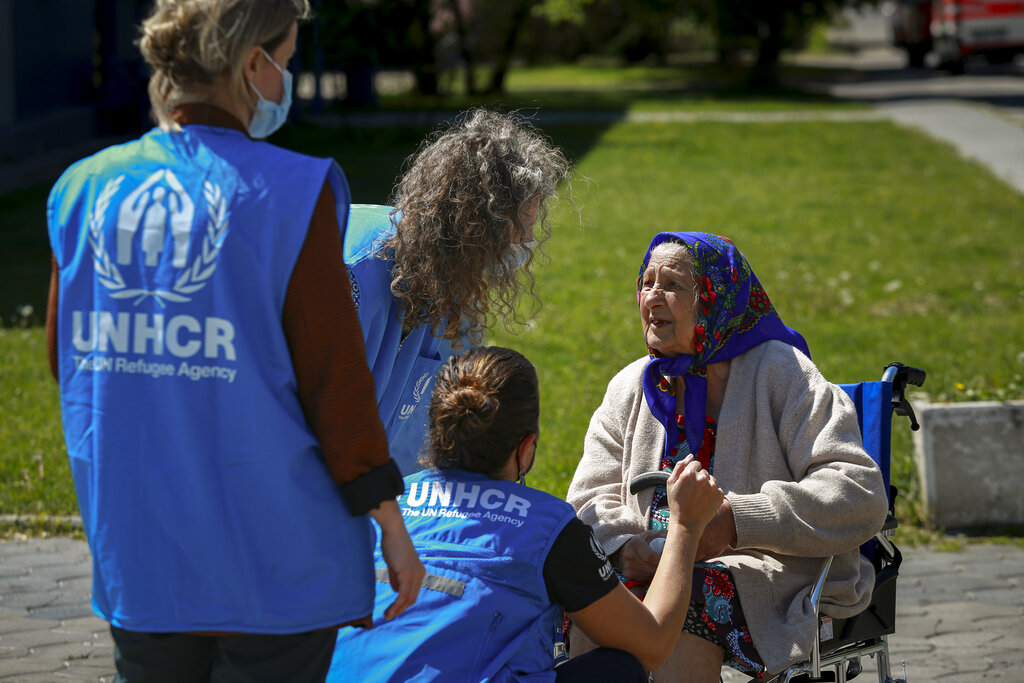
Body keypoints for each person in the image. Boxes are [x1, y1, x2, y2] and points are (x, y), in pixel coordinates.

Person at [44, 1, 423, 680]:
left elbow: (65, 361)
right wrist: (390, 523)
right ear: (254, 64)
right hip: (274, 563)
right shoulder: (292, 194)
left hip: (141, 552)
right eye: (289, 59)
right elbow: (336, 384)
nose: (287, 78)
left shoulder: (82, 190)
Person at [566, 232, 889, 680]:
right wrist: (624, 548)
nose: (652, 298)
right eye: (646, 282)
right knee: (597, 602)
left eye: (672, 285)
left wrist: (737, 522)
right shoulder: (630, 386)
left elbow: (859, 493)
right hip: (652, 565)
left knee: (686, 605)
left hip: (764, 573)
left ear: (715, 299)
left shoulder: (783, 373)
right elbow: (588, 498)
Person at [329, 346, 725, 682]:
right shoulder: (548, 528)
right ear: (526, 447)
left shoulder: (389, 504)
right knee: (620, 668)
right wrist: (685, 526)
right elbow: (652, 644)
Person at [342, 109, 570, 476]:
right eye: (518, 233)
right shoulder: (350, 275)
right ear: (472, 227)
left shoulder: (449, 282)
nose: (526, 245)